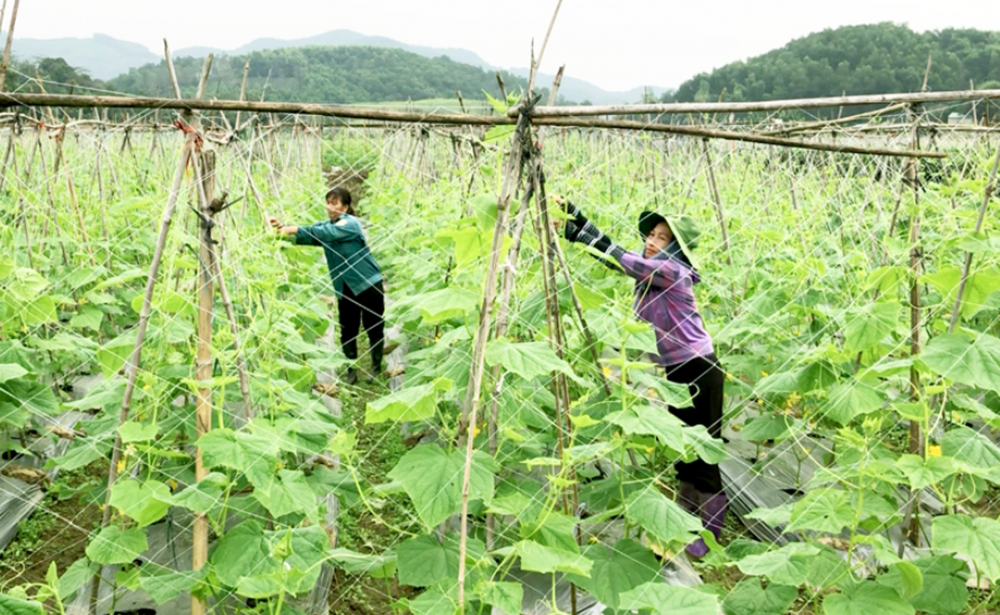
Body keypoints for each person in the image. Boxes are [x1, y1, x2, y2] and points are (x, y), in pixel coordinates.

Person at [558, 197, 726, 558]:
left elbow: (622, 258)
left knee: (705, 454)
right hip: (676, 370)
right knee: (684, 451)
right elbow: (618, 259)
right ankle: (684, 524)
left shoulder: (672, 272)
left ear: (676, 248)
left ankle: (707, 538)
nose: (652, 240)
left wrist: (577, 235)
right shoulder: (649, 273)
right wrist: (578, 217)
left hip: (701, 368)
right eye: (651, 233)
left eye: (663, 238)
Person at [269, 187, 386, 384]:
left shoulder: (351, 224)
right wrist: (283, 229)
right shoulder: (327, 226)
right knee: (348, 330)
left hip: (367, 283)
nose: (330, 207)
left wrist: (292, 228)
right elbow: (311, 234)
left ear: (346, 207)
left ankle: (375, 365)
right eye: (328, 203)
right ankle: (351, 371)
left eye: (335, 203)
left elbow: (327, 232)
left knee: (373, 325)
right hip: (345, 286)